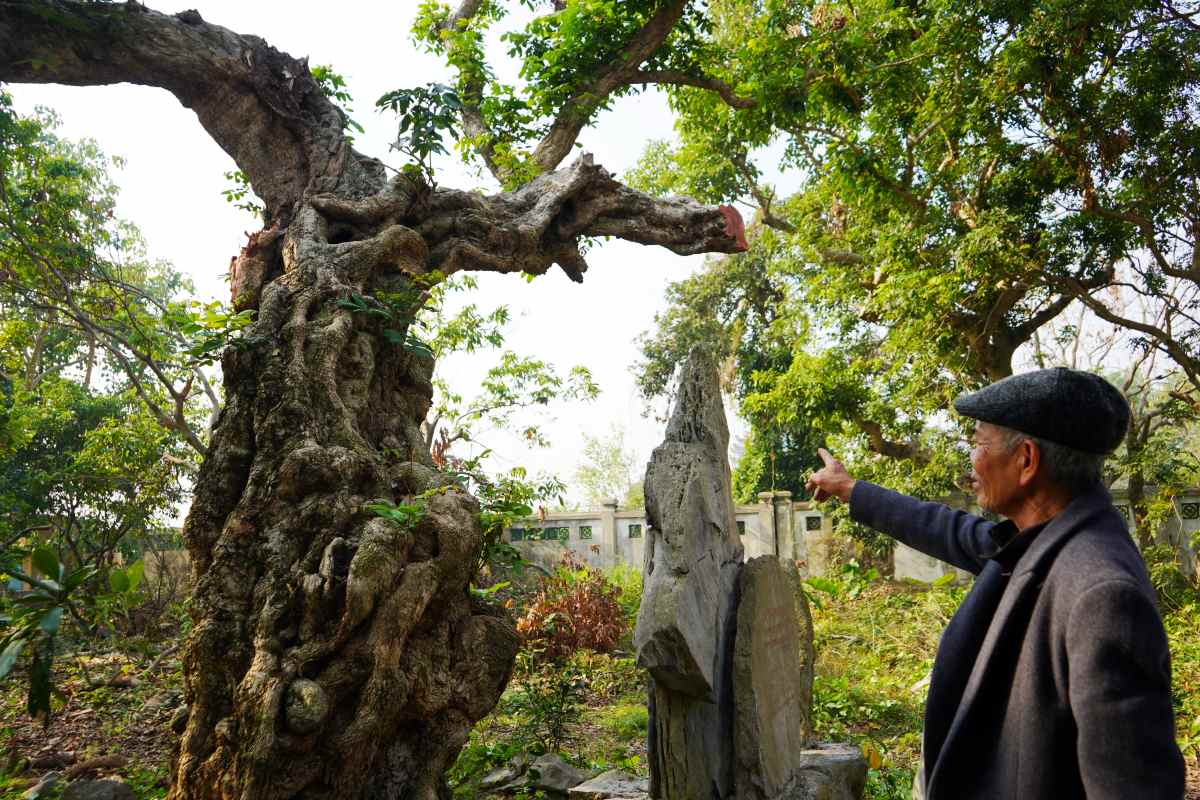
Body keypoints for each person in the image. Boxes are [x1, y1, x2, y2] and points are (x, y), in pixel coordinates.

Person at [805, 367, 1185, 800]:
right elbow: (946, 528)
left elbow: (1133, 787)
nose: (972, 458)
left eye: (978, 443)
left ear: (1026, 460)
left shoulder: (1100, 593)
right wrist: (849, 488)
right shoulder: (1041, 538)